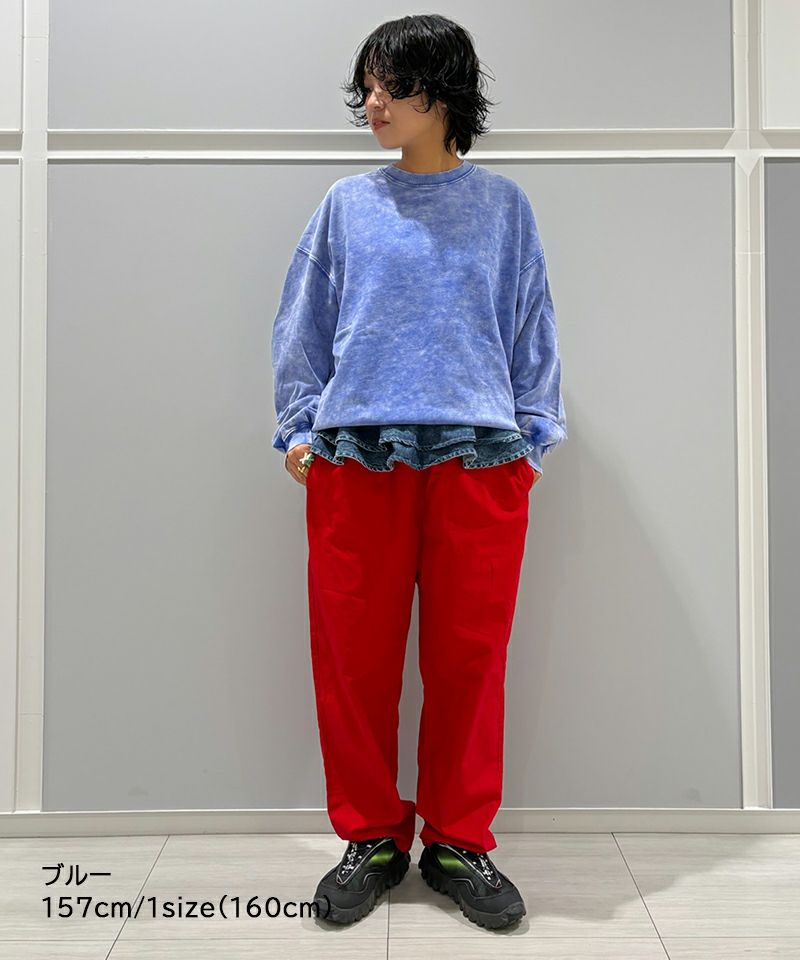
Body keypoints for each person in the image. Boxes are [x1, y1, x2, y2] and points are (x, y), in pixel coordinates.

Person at [271, 14, 567, 931]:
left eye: (392, 86)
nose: (373, 103)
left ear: (443, 92)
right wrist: (298, 428)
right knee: (352, 662)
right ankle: (370, 837)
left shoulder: (504, 208)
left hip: (480, 460)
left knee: (470, 661)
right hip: (356, 460)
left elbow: (533, 327)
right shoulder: (346, 205)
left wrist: (532, 440)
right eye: (366, 87)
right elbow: (303, 324)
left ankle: (457, 843)